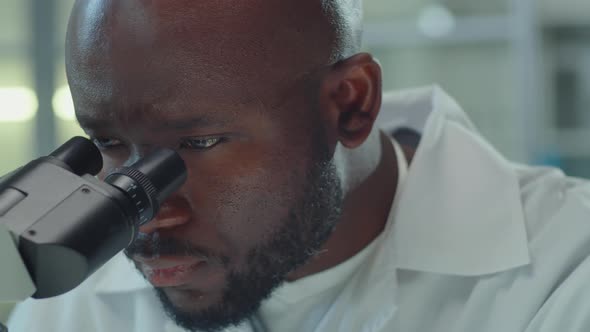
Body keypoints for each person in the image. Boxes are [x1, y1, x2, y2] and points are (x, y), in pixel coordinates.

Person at [7, 0, 590, 331]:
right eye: (106, 142)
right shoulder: (72, 301)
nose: (148, 216)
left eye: (200, 143)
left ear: (350, 105)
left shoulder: (566, 274)